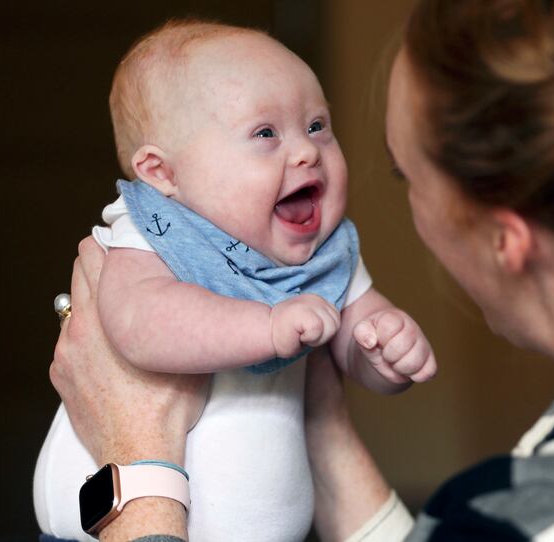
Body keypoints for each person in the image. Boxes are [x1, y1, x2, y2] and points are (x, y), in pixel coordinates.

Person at [50, 0, 554, 540]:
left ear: (505, 238)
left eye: (405, 177)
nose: (307, 155)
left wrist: (136, 466)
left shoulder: (552, 513)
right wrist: (323, 409)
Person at [36, 19, 435, 542]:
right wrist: (267, 326)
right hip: (112, 524)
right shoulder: (156, 231)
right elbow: (139, 324)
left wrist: (386, 350)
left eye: (317, 126)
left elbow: (353, 343)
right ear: (163, 174)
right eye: (265, 133)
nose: (306, 151)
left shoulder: (324, 253)